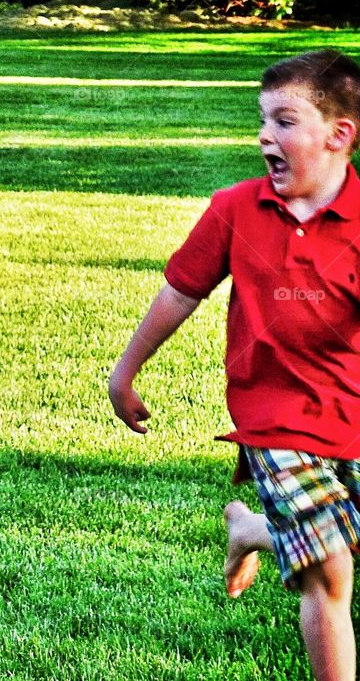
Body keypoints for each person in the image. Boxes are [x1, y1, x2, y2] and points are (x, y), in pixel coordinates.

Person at [108, 49, 360, 681]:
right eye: (262, 121)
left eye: (283, 121)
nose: (263, 136)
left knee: (335, 545)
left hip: (351, 414)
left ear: (339, 135)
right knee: (329, 571)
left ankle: (250, 528)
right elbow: (181, 291)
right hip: (273, 416)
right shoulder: (236, 209)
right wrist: (125, 370)